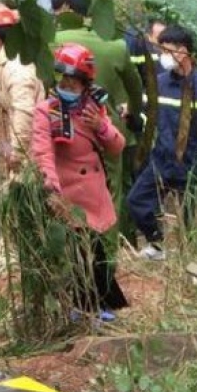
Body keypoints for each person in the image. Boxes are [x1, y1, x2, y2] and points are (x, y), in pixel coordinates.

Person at [30, 43, 129, 321]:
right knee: (76, 250)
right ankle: (84, 305)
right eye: (64, 81)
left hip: (93, 191)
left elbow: (117, 147)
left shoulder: (94, 109)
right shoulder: (45, 111)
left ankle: (98, 305)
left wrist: (101, 126)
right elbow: (42, 150)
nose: (67, 86)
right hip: (67, 193)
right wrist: (50, 183)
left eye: (73, 83)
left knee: (94, 248)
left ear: (85, 84)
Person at [126, 25, 197, 259]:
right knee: (136, 201)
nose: (162, 56)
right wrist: (131, 117)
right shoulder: (158, 83)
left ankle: (194, 259)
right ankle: (157, 244)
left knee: (193, 218)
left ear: (183, 52)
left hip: (192, 165)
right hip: (161, 160)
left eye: (166, 50)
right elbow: (146, 119)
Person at [53, 0, 148, 233]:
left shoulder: (53, 39)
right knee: (111, 191)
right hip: (106, 125)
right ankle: (108, 251)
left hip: (62, 124)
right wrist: (134, 114)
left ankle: (75, 247)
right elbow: (136, 90)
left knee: (67, 186)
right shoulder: (116, 46)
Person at [0, 2, 44, 183]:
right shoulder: (8, 65)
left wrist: (16, 156)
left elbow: (24, 112)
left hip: (31, 156)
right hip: (27, 151)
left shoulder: (17, 68)